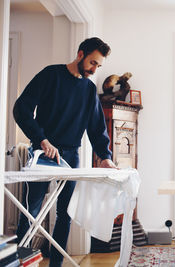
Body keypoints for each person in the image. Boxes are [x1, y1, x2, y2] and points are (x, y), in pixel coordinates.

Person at [13, 37, 116, 267]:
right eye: (92, 62)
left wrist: (105, 157)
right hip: (42, 152)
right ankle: (21, 262)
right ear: (80, 54)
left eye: (98, 65)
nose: (94, 69)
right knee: (32, 210)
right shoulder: (51, 75)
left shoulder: (89, 90)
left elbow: (97, 128)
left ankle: (56, 265)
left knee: (65, 214)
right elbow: (21, 108)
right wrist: (41, 139)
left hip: (70, 156)